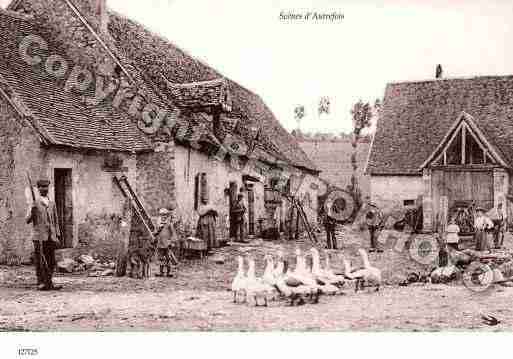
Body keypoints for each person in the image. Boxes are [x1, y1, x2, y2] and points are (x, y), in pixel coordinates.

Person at [25, 179, 62, 291]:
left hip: (51, 236)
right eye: (42, 187)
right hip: (39, 237)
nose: (44, 189)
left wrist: (57, 235)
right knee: (40, 261)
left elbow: (56, 220)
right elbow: (27, 220)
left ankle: (49, 282)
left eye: (46, 187)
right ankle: (40, 282)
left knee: (51, 261)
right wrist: (32, 211)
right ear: (38, 188)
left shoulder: (52, 203)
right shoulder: (34, 203)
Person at [153, 208, 178, 277]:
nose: (163, 217)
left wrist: (172, 242)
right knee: (161, 258)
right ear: (160, 216)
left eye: (165, 215)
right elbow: (155, 233)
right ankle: (161, 272)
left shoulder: (169, 224)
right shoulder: (158, 224)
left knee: (168, 258)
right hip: (160, 244)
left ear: (167, 216)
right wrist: (157, 230)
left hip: (167, 244)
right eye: (162, 215)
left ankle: (169, 272)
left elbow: (173, 234)